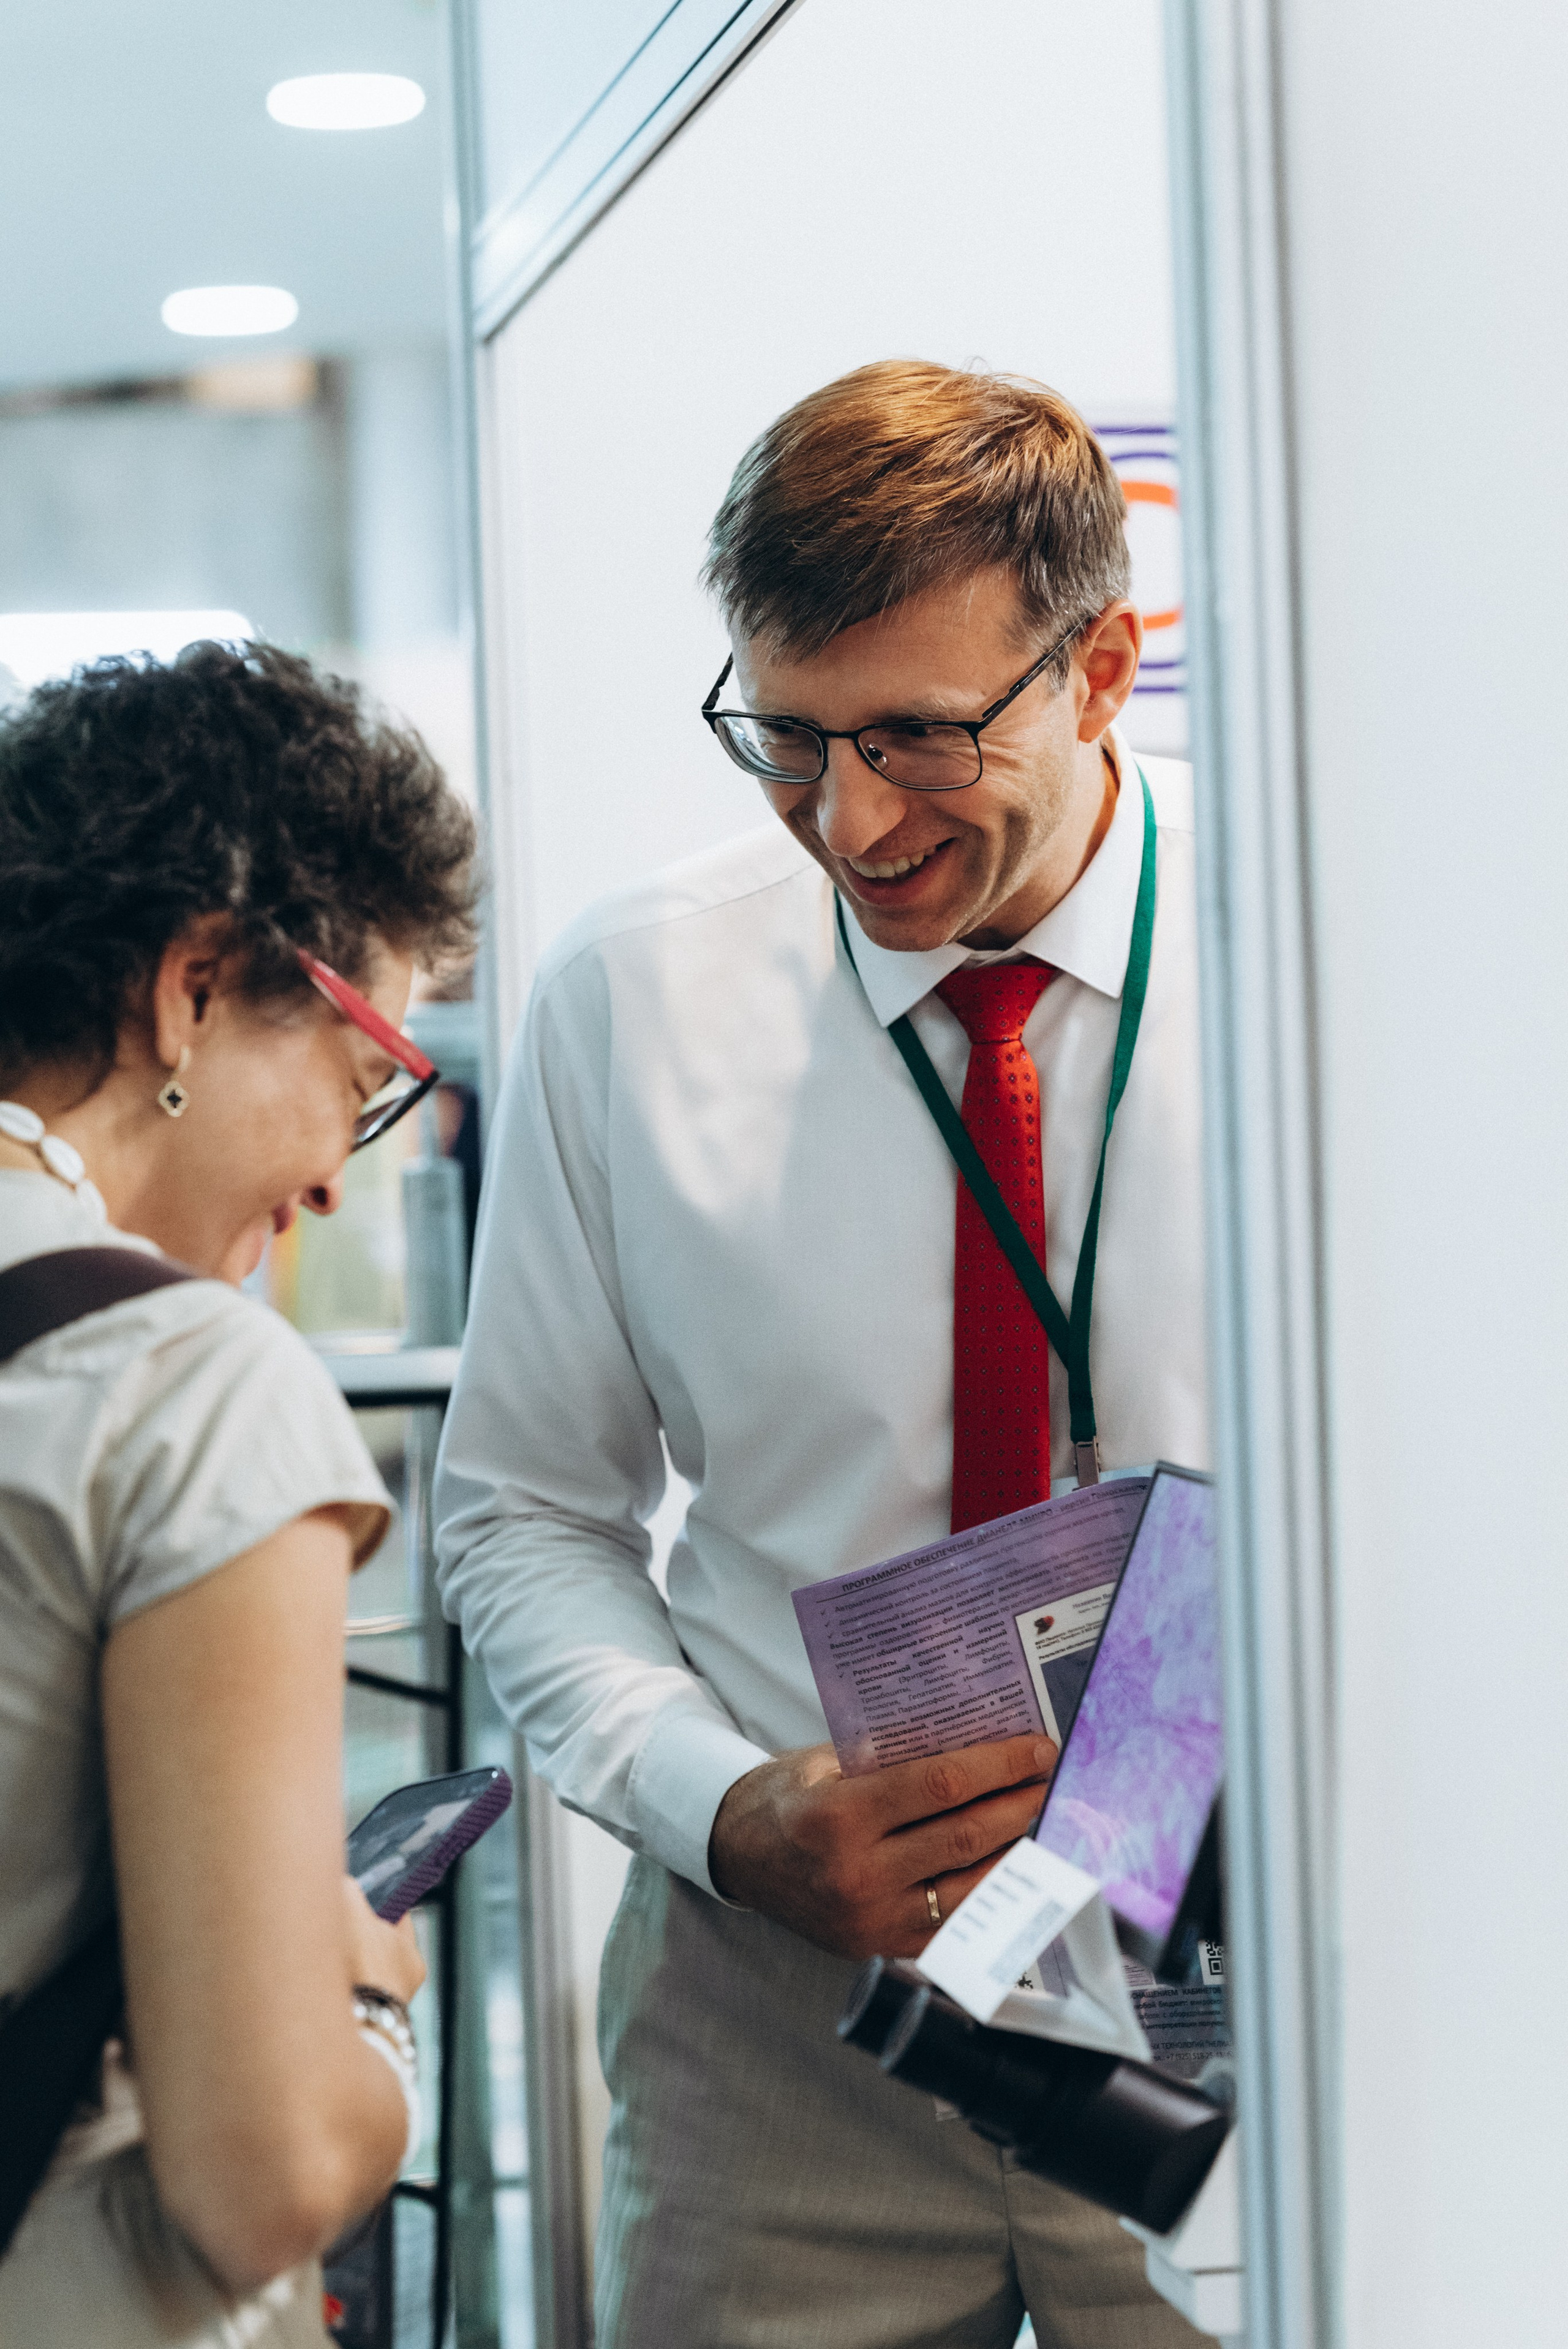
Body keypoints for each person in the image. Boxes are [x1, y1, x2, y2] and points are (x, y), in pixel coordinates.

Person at [436, 362, 1207, 2345]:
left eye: (921, 736)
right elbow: (523, 1512)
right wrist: (716, 1803)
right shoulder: (633, 993)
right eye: (788, 736)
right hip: (780, 2017)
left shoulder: (1332, 966)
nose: (851, 821)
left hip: (1244, 1986)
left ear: (1102, 668)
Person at [0, 643, 477, 2345]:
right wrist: (363, 1998)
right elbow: (263, 2166)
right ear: (195, 986)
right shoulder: (190, 1384)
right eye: (365, 1076)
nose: (343, 1179)